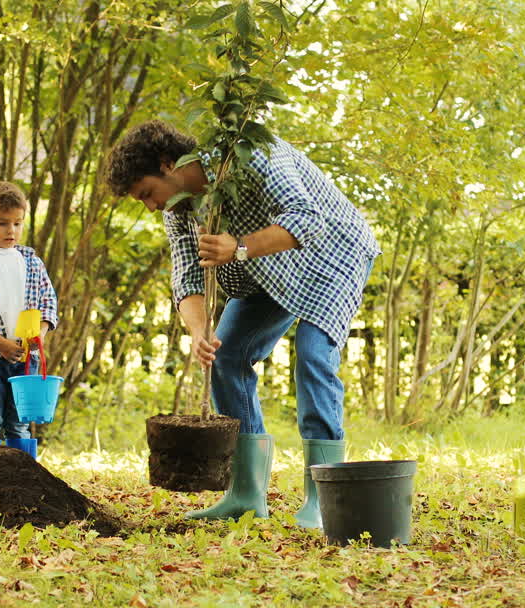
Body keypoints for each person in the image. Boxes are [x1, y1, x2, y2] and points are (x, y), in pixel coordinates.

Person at [106, 119, 379, 527]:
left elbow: (307, 217)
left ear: (167, 164)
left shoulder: (251, 155)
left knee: (312, 354)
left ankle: (323, 498)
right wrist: (199, 331)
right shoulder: (180, 210)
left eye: (147, 193)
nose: (150, 206)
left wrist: (240, 247)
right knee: (225, 355)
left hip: (330, 258)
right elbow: (187, 276)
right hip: (262, 270)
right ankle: (247, 494)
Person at [0, 180, 59, 457]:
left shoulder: (31, 260)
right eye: (3, 223)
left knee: (19, 423)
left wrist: (40, 333)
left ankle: (22, 475)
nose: (12, 231)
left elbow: (48, 301)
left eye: (17, 224)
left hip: (24, 357)